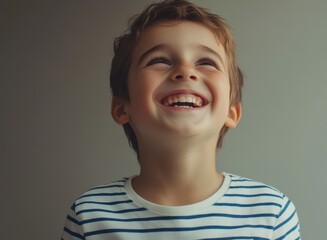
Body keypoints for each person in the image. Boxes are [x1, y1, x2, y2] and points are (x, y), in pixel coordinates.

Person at [61, 0, 301, 239]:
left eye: (206, 62)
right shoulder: (89, 216)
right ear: (122, 108)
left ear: (231, 112)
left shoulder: (271, 214)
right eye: (159, 60)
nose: (186, 71)